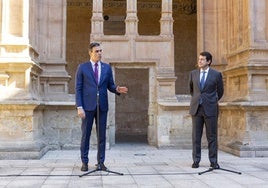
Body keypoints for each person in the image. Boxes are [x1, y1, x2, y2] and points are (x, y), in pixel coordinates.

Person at [75, 42, 128, 172]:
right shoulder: (83, 68)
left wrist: (117, 89)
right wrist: (79, 106)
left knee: (102, 136)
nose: (99, 53)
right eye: (96, 51)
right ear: (90, 53)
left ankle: (101, 162)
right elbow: (78, 88)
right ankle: (84, 162)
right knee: (85, 135)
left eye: (100, 51)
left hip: (102, 106)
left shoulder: (106, 68)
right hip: (87, 107)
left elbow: (110, 85)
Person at [189, 51, 224, 169]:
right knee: (196, 137)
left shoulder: (216, 74)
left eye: (202, 59)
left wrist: (211, 101)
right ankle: (196, 160)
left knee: (212, 137)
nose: (199, 61)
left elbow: (220, 91)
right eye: (199, 59)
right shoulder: (193, 74)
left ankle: (213, 161)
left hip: (211, 109)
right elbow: (192, 90)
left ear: (209, 61)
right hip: (196, 109)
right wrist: (197, 100)